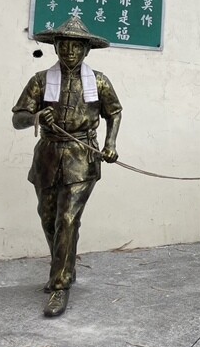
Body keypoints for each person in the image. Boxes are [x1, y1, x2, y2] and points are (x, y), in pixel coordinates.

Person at [12, 17, 122, 317]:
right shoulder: (40, 80)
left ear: (86, 50)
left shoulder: (98, 81)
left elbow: (114, 111)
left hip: (81, 156)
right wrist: (36, 118)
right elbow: (18, 117)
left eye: (76, 46)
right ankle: (65, 267)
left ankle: (59, 285)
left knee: (68, 219)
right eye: (64, 45)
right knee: (48, 217)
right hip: (47, 155)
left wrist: (110, 143)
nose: (70, 51)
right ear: (56, 47)